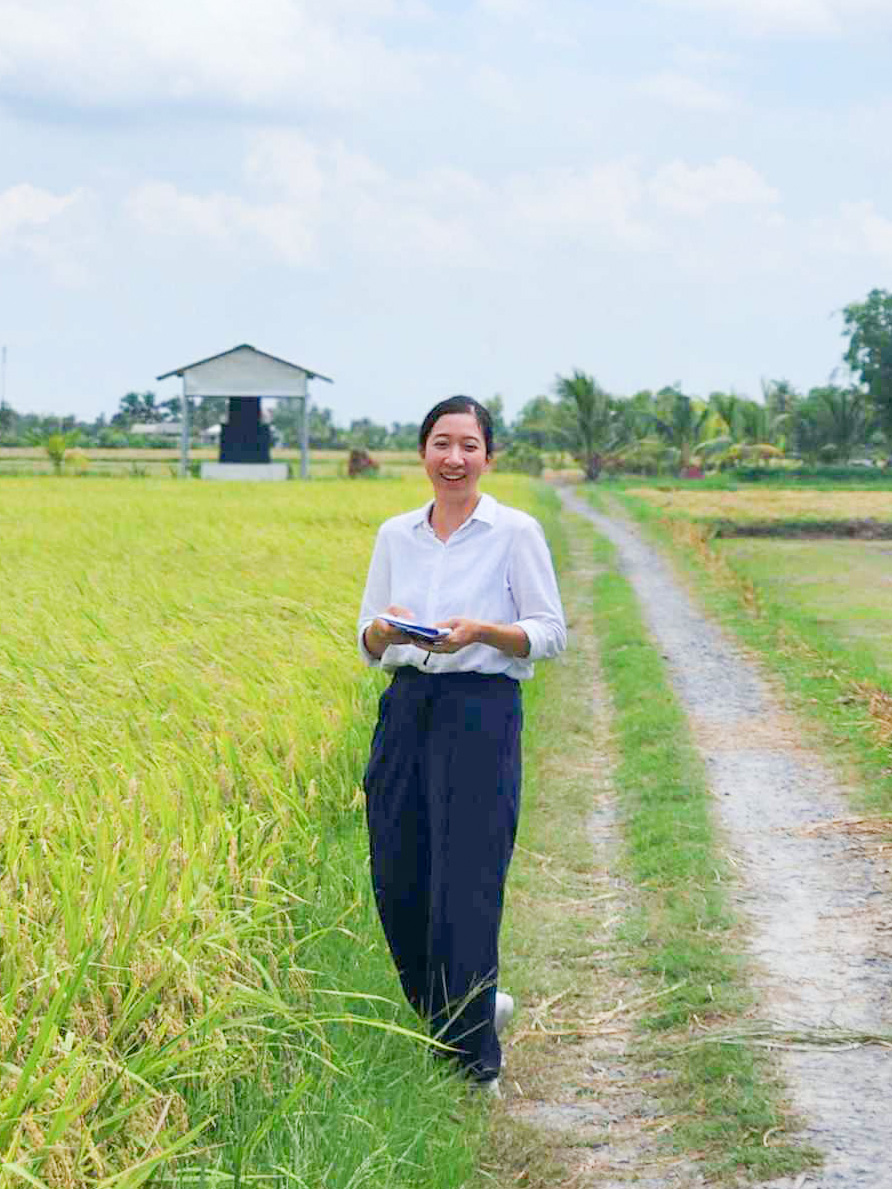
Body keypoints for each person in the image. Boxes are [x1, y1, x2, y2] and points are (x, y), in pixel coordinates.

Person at [357, 395, 566, 1093]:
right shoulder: (396, 534)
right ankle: (472, 1012)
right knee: (398, 879)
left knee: (467, 883)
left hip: (481, 711)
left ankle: (476, 1065)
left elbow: (549, 632)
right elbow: (367, 636)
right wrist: (384, 631)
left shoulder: (515, 532)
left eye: (468, 445)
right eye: (441, 443)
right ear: (423, 452)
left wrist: (481, 632)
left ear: (488, 457)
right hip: (406, 707)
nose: (454, 458)